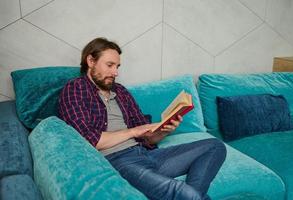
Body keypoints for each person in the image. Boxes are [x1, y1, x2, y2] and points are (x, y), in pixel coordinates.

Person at [58, 37, 226, 200]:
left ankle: (188, 194)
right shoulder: (75, 89)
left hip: (145, 155)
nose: (115, 72)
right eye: (110, 65)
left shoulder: (121, 91)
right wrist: (133, 131)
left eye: (117, 66)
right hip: (117, 161)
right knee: (184, 193)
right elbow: (89, 141)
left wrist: (164, 131)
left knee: (215, 146)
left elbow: (147, 137)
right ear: (91, 61)